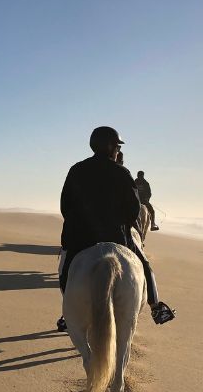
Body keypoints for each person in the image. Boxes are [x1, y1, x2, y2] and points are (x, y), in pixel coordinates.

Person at [55, 126, 175, 331]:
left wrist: (79, 225)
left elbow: (65, 205)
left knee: (65, 268)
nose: (118, 150)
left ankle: (69, 311)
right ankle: (156, 306)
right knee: (144, 265)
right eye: (118, 146)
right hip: (115, 236)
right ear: (110, 146)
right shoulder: (122, 172)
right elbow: (134, 208)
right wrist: (123, 227)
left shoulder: (77, 169)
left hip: (80, 237)